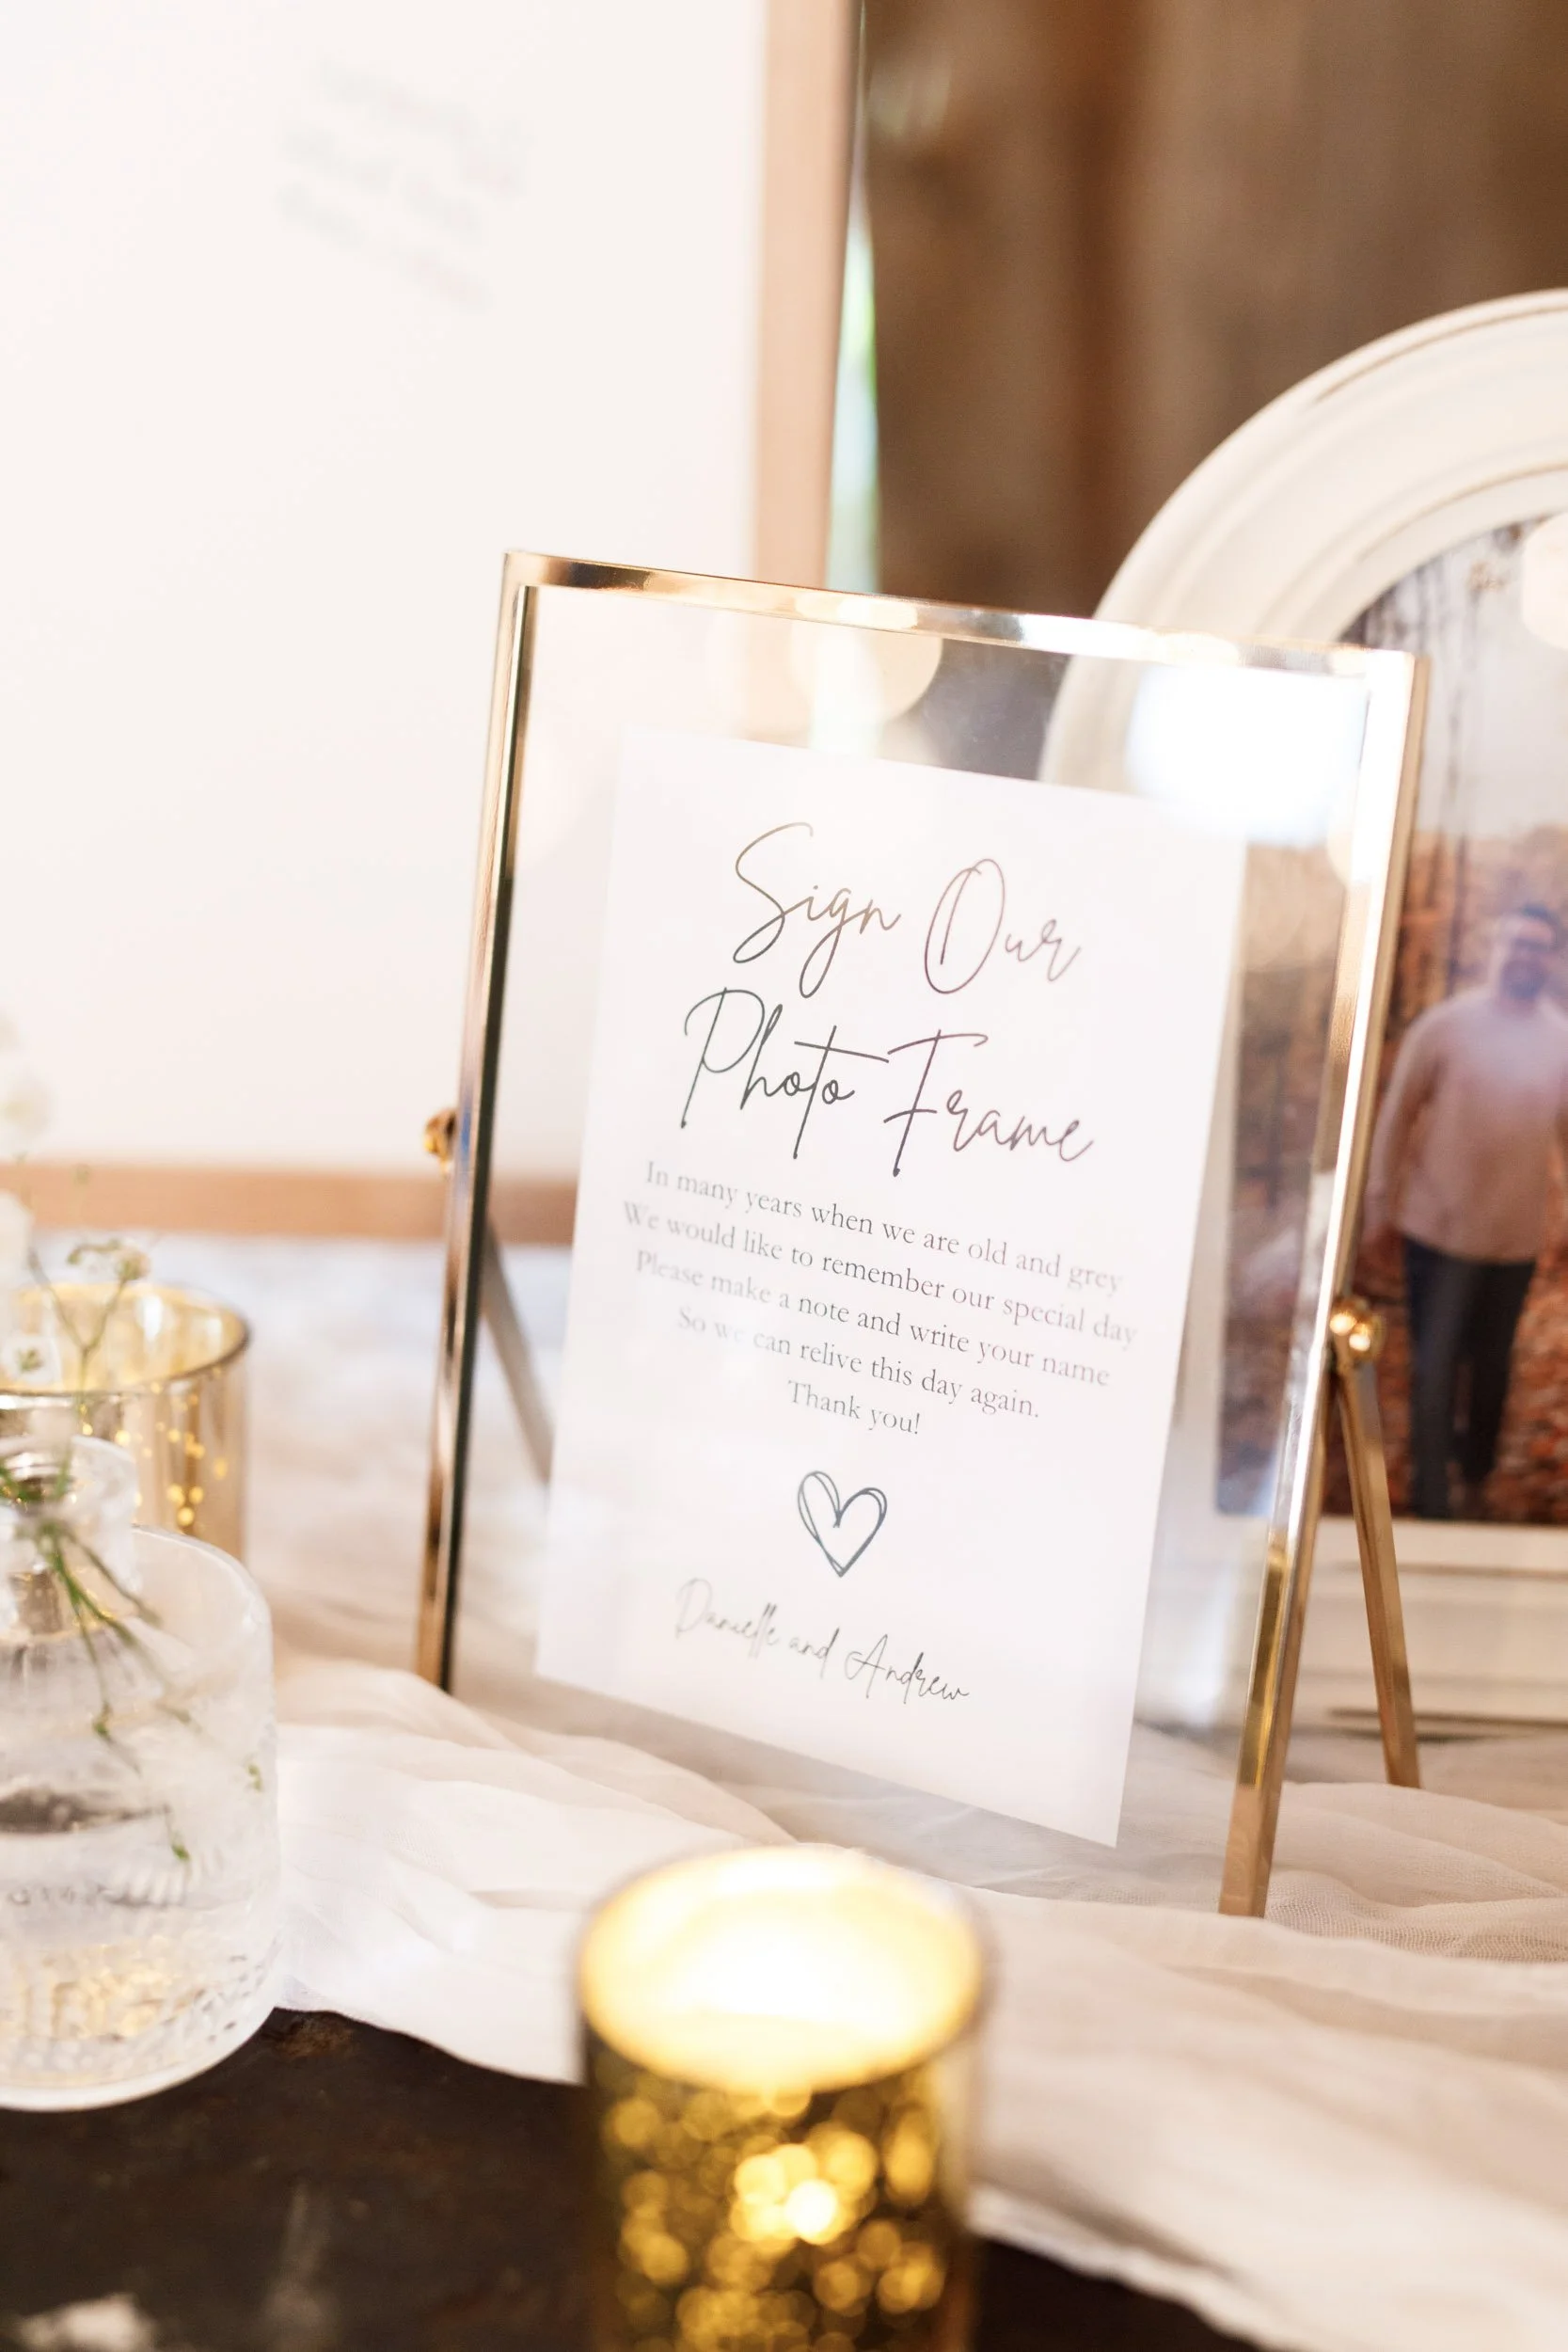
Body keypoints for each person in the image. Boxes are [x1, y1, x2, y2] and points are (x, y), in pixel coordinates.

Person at [1364, 903, 1568, 1518]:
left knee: (1490, 1373)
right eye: (1513, 943)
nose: (1523, 955)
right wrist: (1379, 1205)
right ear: (1494, 948)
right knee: (1434, 1364)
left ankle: (1475, 1478)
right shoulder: (1445, 1026)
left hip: (1513, 1239)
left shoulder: (1559, 1040)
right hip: (1438, 1230)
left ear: (1550, 959)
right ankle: (1432, 1499)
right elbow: (1396, 1118)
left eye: (1536, 946)